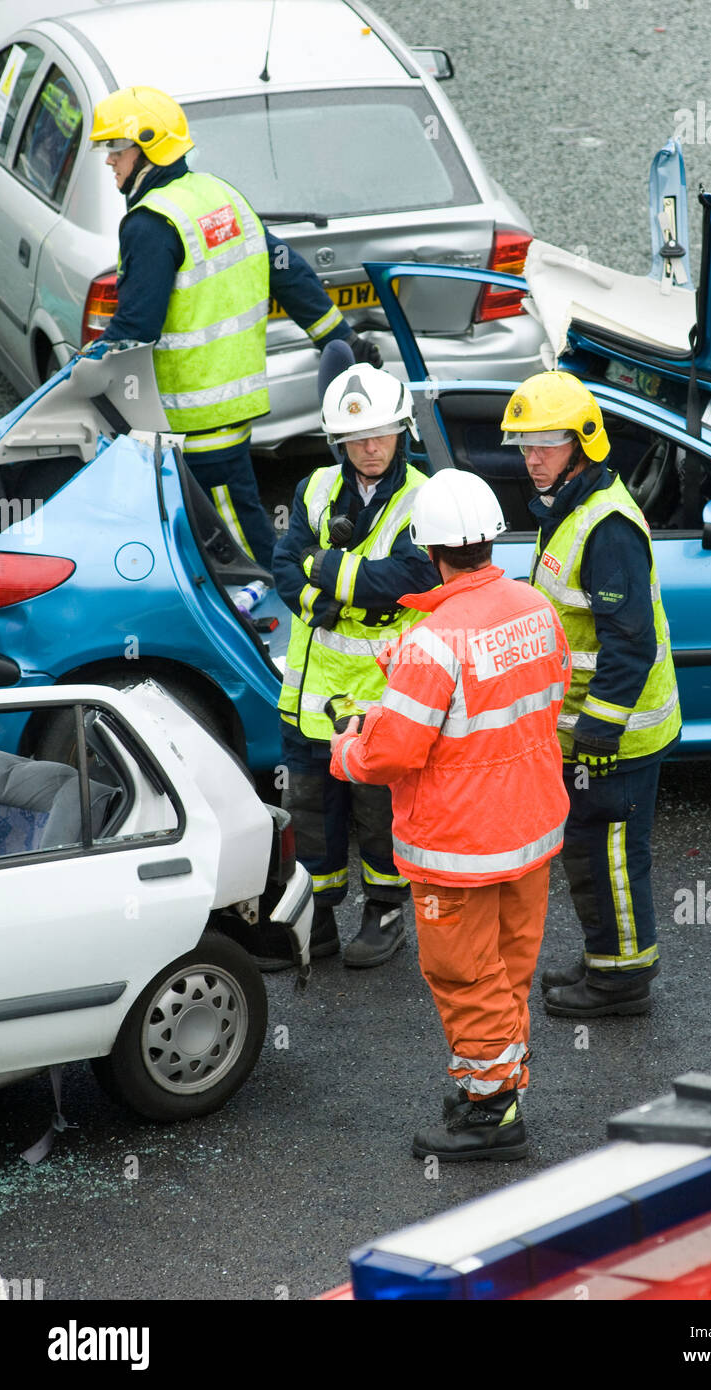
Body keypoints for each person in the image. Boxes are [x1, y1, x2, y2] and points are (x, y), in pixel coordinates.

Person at [330, 470, 571, 1161]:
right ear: (490, 538)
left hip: (459, 847)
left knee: (467, 978)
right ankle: (486, 1087)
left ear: (429, 550)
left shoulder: (432, 640)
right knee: (505, 969)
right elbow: (538, 700)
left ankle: (493, 1114)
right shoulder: (533, 607)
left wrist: (347, 747)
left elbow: (391, 755)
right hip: (528, 829)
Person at [88, 85, 382, 571]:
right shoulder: (222, 196)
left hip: (195, 417)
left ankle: (284, 612)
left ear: (148, 147)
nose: (109, 162)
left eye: (116, 149)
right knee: (216, 528)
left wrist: (86, 366)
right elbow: (286, 270)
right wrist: (338, 335)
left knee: (237, 543)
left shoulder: (150, 223)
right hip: (229, 405)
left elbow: (136, 327)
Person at [500, 370, 681, 1019]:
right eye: (524, 443)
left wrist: (599, 731)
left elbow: (627, 643)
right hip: (584, 731)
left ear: (582, 443)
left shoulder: (604, 525)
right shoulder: (569, 508)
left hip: (617, 735)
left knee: (607, 849)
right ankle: (606, 953)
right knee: (589, 850)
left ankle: (621, 979)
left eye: (546, 442)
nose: (532, 457)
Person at [272, 363, 439, 968]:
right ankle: (314, 925)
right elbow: (286, 564)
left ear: (402, 431)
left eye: (382, 433)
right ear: (338, 440)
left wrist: (326, 575)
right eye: (356, 437)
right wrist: (334, 597)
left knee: (380, 817)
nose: (370, 447)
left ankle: (385, 913)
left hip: (377, 700)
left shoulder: (423, 496)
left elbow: (409, 577)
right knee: (310, 816)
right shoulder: (315, 488)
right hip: (310, 699)